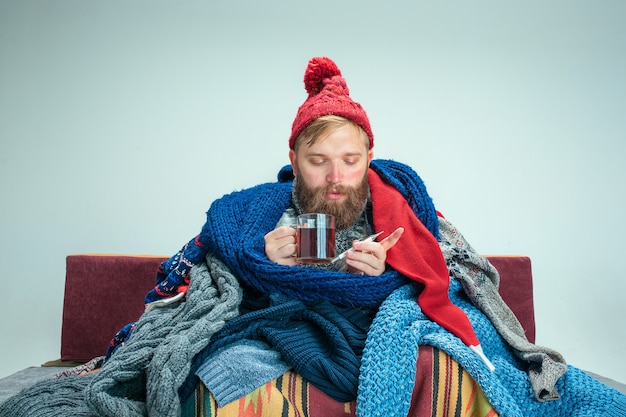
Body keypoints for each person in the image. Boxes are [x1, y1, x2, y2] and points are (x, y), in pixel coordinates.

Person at [2, 57, 625, 417]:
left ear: (370, 155)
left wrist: (392, 274)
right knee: (220, 371)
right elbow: (189, 285)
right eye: (319, 159)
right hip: (277, 327)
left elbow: (462, 278)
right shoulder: (257, 213)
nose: (336, 176)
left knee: (455, 361)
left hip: (374, 327)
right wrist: (253, 260)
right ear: (294, 157)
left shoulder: (400, 210)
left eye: (350, 160)